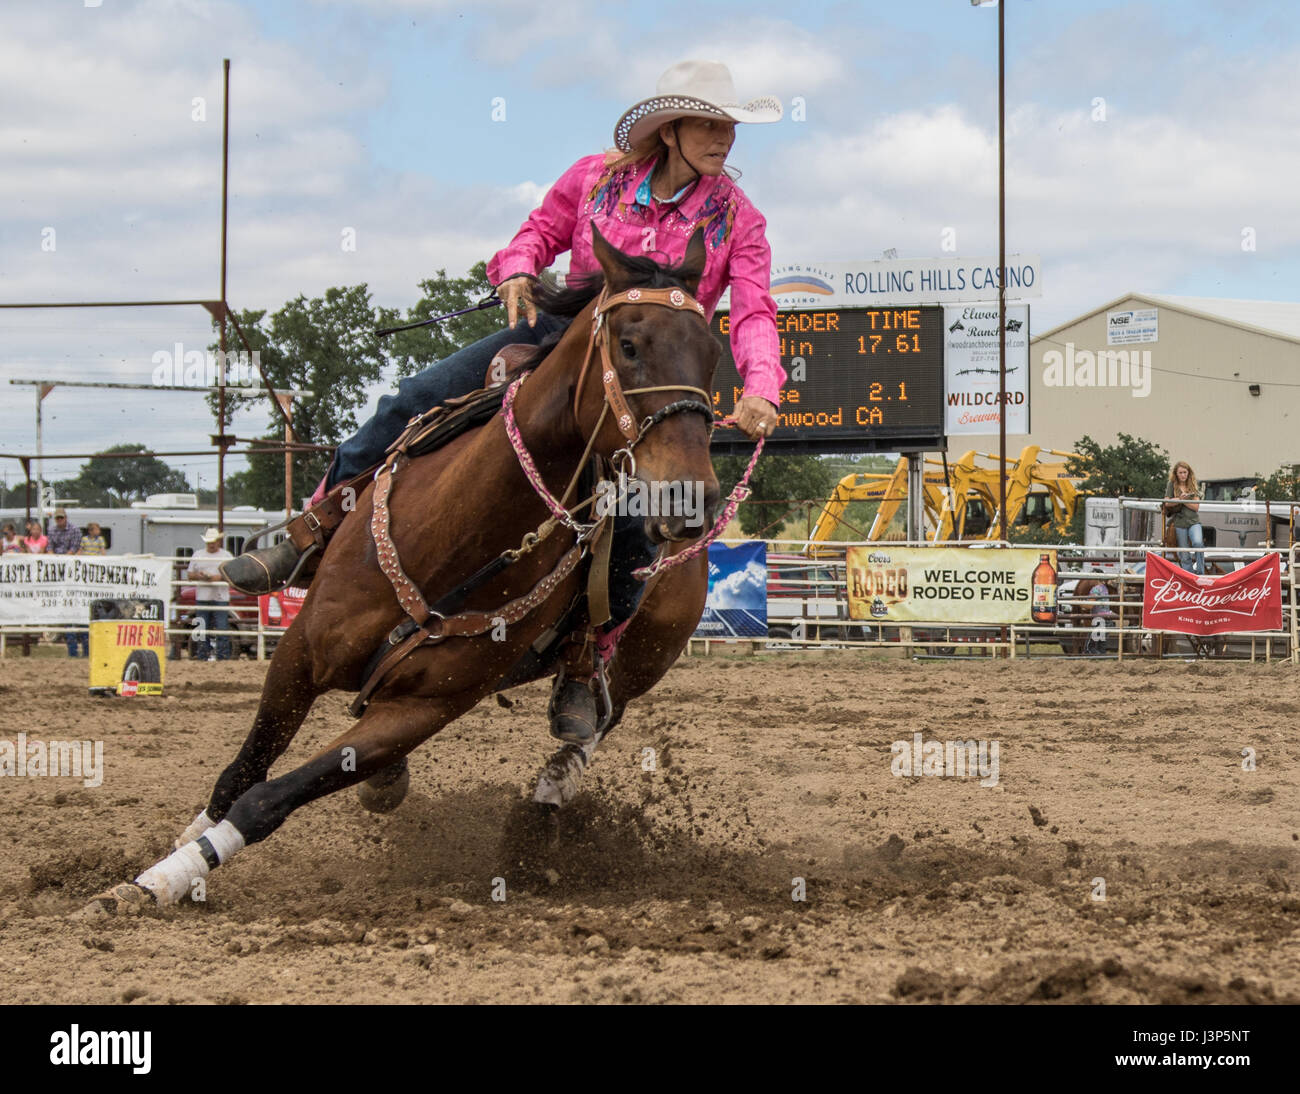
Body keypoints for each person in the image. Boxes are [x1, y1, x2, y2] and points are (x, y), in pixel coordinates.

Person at [222, 60, 786, 742]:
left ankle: (584, 658)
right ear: (669, 130)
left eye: (729, 126)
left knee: (641, 518)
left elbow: (754, 310)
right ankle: (312, 527)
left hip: (647, 380)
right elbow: (536, 234)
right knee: (413, 399)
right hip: (563, 338)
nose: (723, 137)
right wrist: (518, 268)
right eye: (707, 122)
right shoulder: (595, 178)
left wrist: (762, 386)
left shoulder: (740, 220)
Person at [187, 528, 233, 661]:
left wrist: (219, 578)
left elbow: (232, 574)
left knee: (221, 627)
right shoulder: (198, 554)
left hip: (218, 597)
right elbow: (190, 575)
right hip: (205, 597)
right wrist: (199, 576)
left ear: (218, 541)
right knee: (203, 627)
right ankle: (203, 655)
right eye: (209, 542)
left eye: (213, 542)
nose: (211, 544)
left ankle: (220, 656)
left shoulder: (226, 556)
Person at [1164, 460, 1204, 574]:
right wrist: (1180, 499)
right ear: (1176, 474)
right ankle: (1189, 574)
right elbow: (1166, 502)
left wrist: (1182, 500)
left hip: (1193, 521)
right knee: (1184, 551)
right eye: (1180, 472)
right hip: (1179, 521)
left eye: (1185, 472)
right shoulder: (1171, 484)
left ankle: (1200, 572)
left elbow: (1196, 507)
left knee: (1198, 543)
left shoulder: (1193, 484)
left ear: (1188, 473)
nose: (1183, 475)